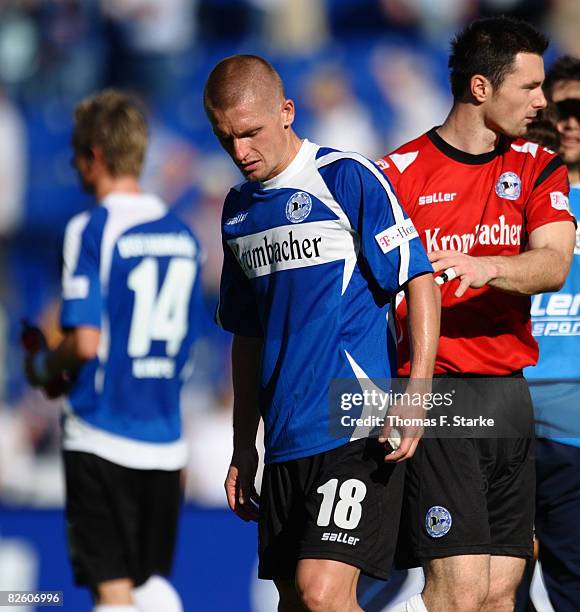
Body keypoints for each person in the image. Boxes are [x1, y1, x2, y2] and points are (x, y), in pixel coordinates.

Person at [204, 54, 440, 611]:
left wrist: (417, 394)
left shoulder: (345, 176)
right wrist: (244, 444)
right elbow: (247, 335)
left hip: (354, 425)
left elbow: (418, 278)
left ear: (286, 112)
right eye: (225, 139)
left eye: (251, 133)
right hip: (285, 437)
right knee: (295, 602)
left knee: (322, 594)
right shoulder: (237, 212)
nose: (241, 153)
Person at [378, 17, 576, 612]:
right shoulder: (395, 176)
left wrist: (487, 266)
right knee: (457, 591)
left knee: (497, 593)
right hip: (442, 394)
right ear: (481, 89)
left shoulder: (539, 165)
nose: (542, 102)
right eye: (530, 87)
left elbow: (554, 264)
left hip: (510, 396)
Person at [24, 89, 204, 612]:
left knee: (113, 592)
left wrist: (43, 366)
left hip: (102, 430)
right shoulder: (183, 234)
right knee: (147, 585)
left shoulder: (92, 227)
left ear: (94, 157)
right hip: (166, 438)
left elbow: (84, 342)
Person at [525, 57, 580, 612]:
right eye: (560, 108)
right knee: (491, 584)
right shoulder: (513, 190)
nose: (568, 121)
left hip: (575, 431)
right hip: (500, 411)